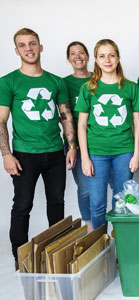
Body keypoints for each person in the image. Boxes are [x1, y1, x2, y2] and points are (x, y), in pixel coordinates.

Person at [0, 28, 76, 268]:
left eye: (32, 43)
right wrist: (6, 154)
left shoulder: (56, 81)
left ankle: (57, 254)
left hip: (55, 151)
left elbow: (66, 116)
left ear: (41, 47)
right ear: (16, 50)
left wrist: (71, 146)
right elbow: (1, 120)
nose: (28, 48)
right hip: (23, 154)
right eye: (22, 45)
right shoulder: (8, 82)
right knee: (22, 205)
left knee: (57, 203)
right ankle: (19, 256)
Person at [76, 39, 139, 230]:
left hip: (124, 151)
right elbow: (81, 125)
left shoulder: (130, 88)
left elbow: (138, 124)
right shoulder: (88, 88)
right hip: (96, 153)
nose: (107, 60)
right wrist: (85, 158)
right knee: (97, 204)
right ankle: (101, 249)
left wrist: (136, 153)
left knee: (122, 203)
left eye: (111, 55)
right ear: (95, 60)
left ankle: (121, 246)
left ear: (118, 58)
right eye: (102, 56)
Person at [63, 41, 93, 232]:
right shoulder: (64, 83)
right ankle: (90, 228)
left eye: (81, 52)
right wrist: (72, 147)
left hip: (101, 140)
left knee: (116, 185)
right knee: (84, 187)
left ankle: (117, 226)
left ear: (88, 56)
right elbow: (63, 115)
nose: (78, 56)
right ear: (68, 59)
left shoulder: (99, 79)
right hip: (76, 144)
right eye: (73, 54)